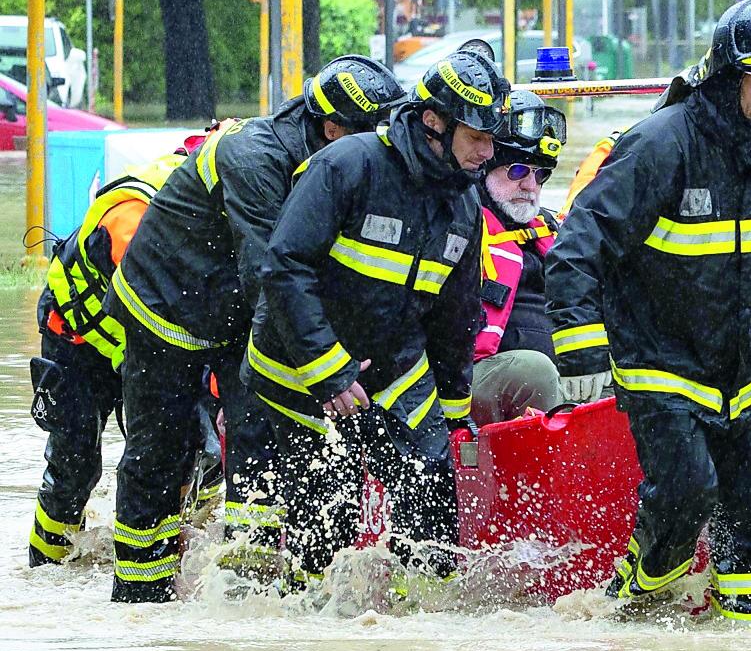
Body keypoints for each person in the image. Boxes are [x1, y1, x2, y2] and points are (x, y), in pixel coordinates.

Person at [546, 0, 751, 621]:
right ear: (728, 73)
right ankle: (629, 610)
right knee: (687, 493)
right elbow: (576, 249)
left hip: (738, 368)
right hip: (660, 360)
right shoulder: (659, 145)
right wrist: (581, 347)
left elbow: (746, 270)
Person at [107, 53, 403, 602]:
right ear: (334, 127)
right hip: (164, 308)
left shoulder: (330, 162)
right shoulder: (254, 159)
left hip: (234, 314)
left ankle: (250, 590)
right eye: (370, 136)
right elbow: (273, 275)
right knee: (159, 448)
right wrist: (323, 366)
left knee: (259, 436)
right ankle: (140, 599)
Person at [242, 48, 499, 592]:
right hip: (300, 370)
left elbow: (456, 320)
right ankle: (312, 623)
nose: (487, 150)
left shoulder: (464, 207)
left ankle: (419, 625)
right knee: (324, 529)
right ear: (434, 121)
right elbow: (284, 266)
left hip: (392, 367)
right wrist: (328, 370)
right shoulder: (348, 165)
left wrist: (454, 413)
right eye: (476, 135)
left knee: (431, 498)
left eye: (491, 137)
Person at [27, 141, 216, 567]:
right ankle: (46, 573)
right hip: (80, 346)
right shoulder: (134, 212)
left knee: (197, 451)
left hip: (147, 352)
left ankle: (182, 557)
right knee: (73, 468)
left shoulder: (211, 211)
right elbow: (160, 298)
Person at [469, 89, 569, 426]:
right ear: (482, 170)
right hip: (472, 376)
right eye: (517, 172)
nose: (531, 185)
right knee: (534, 371)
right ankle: (561, 475)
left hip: (552, 377)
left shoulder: (551, 229)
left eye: (540, 175)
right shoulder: (459, 226)